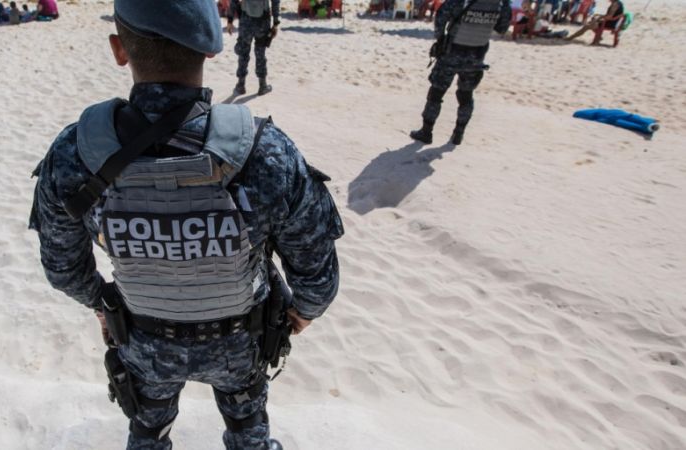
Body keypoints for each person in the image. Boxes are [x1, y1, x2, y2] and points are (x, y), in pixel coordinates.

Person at [29, 1, 343, 449]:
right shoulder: (263, 150)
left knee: (147, 434)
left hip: (143, 341)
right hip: (240, 343)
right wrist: (300, 314)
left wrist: (103, 303)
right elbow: (317, 273)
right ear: (211, 49)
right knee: (248, 435)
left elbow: (62, 267)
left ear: (120, 49)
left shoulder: (75, 153)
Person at [410, 0, 511, 145]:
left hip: (451, 53)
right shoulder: (500, 3)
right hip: (476, 56)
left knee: (436, 93)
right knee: (465, 95)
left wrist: (441, 39)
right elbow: (502, 28)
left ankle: (426, 132)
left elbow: (441, 16)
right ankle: (458, 134)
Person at [227, 0, 280, 96]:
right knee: (260, 54)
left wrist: (230, 20)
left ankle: (240, 85)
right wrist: (276, 22)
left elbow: (234, 1)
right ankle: (262, 85)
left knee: (243, 53)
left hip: (245, 20)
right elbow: (275, 2)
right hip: (263, 21)